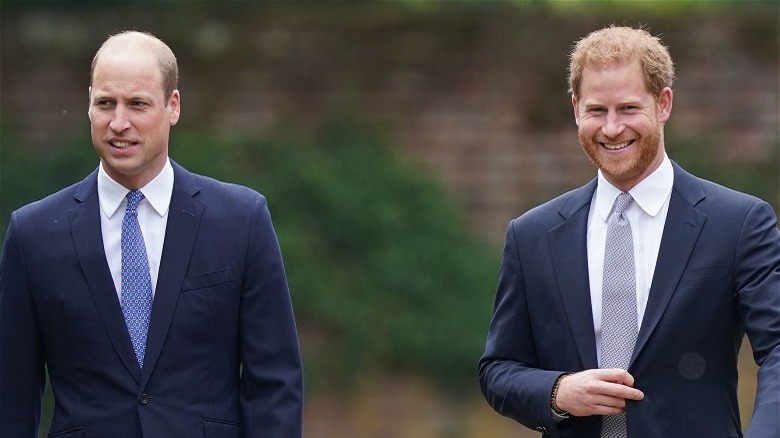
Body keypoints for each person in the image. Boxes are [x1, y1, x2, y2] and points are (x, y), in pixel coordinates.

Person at [479, 25, 779, 438]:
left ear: (664, 104)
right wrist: (557, 391)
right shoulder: (532, 235)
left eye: (629, 108)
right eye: (597, 110)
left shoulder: (739, 223)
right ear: (575, 109)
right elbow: (499, 369)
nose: (612, 128)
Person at [0, 31, 303, 437]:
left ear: (172, 106)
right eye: (105, 103)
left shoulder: (241, 220)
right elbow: (12, 397)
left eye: (138, 104)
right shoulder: (33, 234)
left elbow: (275, 384)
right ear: (89, 104)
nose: (119, 123)